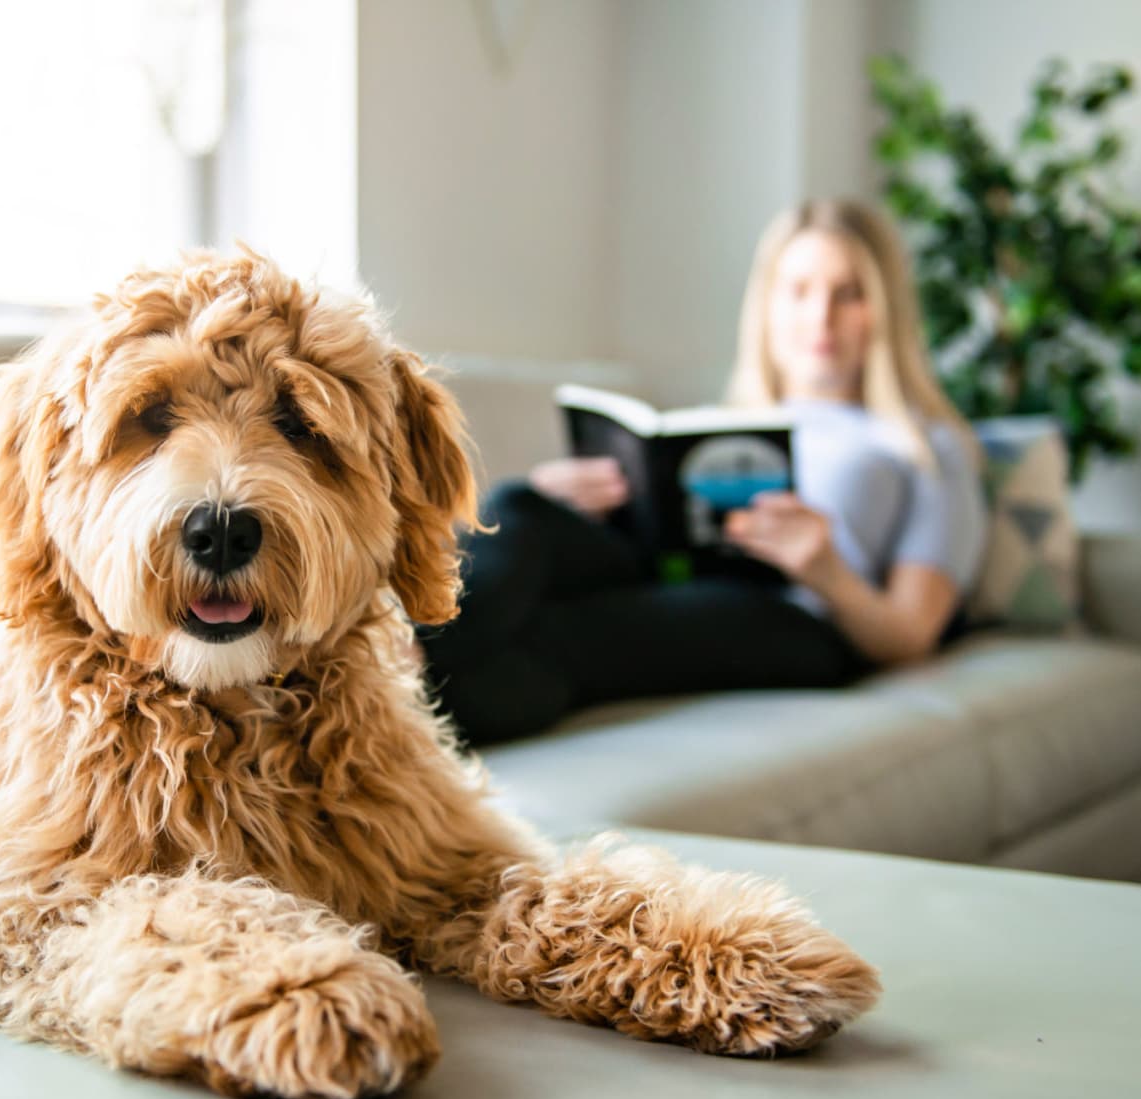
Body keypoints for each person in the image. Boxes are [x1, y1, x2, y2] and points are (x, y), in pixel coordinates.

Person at [419, 199, 988, 745]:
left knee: (564, 636)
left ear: (885, 310)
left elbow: (912, 635)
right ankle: (399, 665)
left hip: (797, 617)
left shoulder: (927, 446)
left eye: (850, 294)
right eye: (799, 292)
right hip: (667, 571)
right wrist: (578, 504)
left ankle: (382, 692)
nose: (821, 317)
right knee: (521, 507)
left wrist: (827, 571)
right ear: (767, 307)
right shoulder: (728, 421)